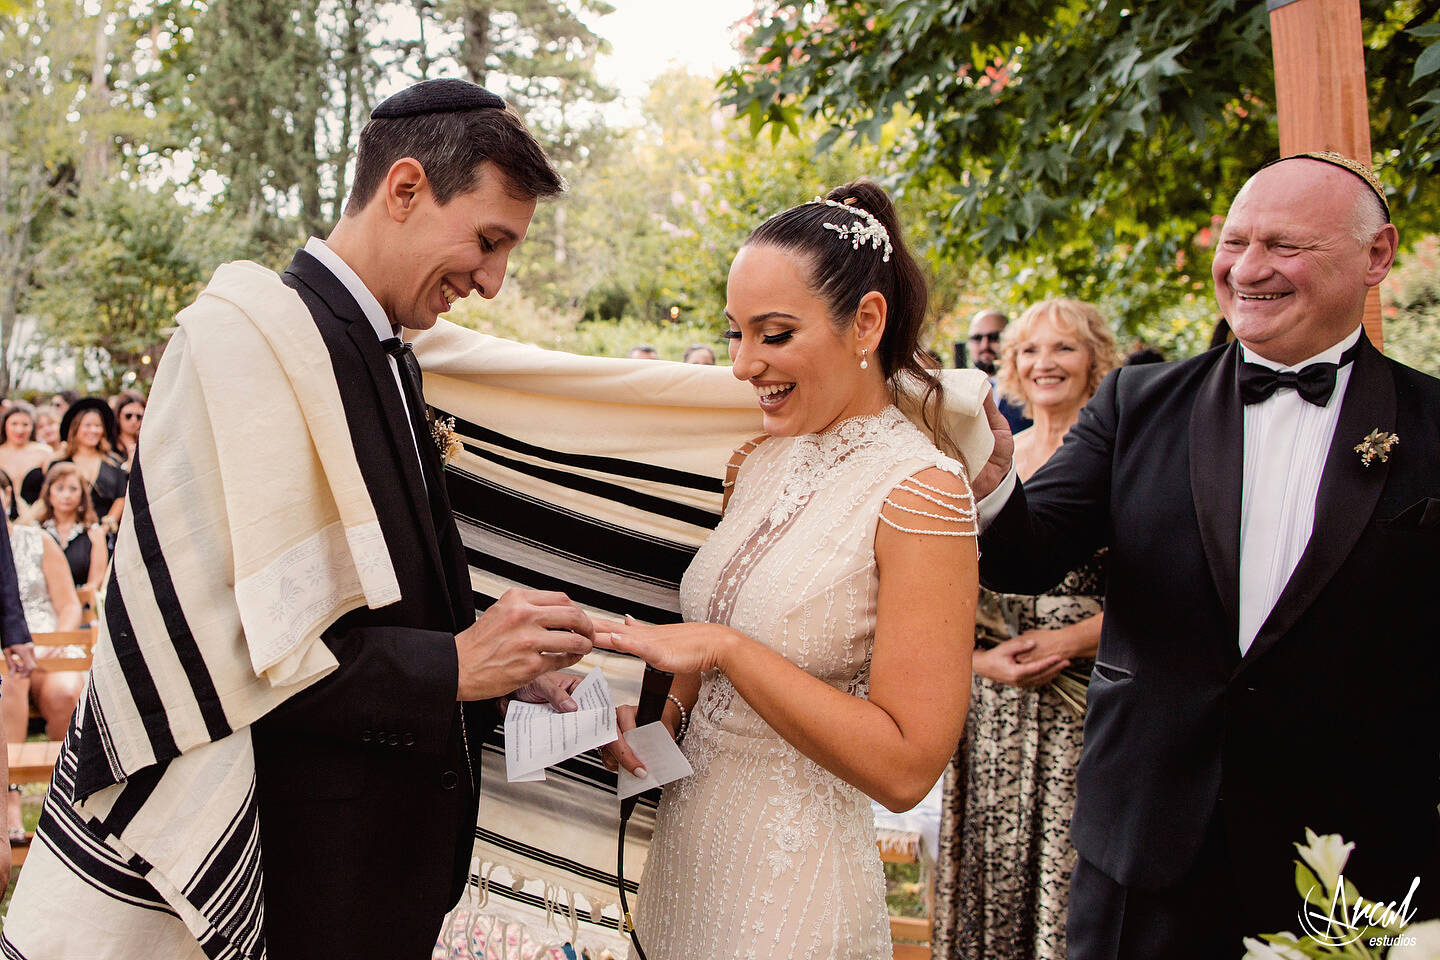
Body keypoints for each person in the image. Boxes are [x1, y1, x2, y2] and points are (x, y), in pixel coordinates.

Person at [3, 78, 606, 960]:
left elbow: (363, 609)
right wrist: (452, 664)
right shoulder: (243, 350)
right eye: (488, 240)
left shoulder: (390, 353)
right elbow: (227, 652)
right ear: (403, 190)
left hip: (387, 874)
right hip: (298, 874)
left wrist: (504, 666)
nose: (492, 278)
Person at [970, 153, 1440, 958]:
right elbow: (1025, 557)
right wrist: (977, 471)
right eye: (1236, 242)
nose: (1248, 269)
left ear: (1377, 255)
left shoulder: (1432, 424)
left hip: (1351, 860)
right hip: (1148, 844)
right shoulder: (1137, 404)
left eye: (1284, 246)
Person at [596, 180, 979, 959]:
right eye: (734, 333)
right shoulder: (758, 462)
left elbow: (908, 767)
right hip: (684, 871)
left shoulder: (922, 493)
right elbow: (711, 674)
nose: (743, 365)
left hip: (790, 901)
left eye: (773, 335)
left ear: (865, 321)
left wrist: (725, 648)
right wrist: (648, 735)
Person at [933, 299, 1117, 959]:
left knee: (1069, 876)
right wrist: (980, 663)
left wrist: (1071, 641)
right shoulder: (982, 462)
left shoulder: (1118, 459)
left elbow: (1168, 592)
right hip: (993, 708)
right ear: (1010, 364)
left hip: (1084, 707)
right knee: (994, 865)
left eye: (1065, 348)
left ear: (1096, 359)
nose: (1046, 363)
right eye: (1031, 350)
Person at [0, 472, 83, 839]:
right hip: (9, 654)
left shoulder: (37, 540)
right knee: (10, 680)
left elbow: (68, 606)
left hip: (51, 644)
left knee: (67, 691)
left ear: (9, 495)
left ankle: (68, 794)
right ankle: (10, 794)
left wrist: (51, 646)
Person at [21, 397, 127, 536]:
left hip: (104, 533)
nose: (93, 430)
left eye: (97, 426)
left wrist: (105, 527)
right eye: (87, 425)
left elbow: (121, 497)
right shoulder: (60, 462)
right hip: (66, 533)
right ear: (76, 428)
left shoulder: (113, 462)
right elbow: (47, 499)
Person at [31, 463, 107, 594]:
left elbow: (96, 583)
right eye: (60, 488)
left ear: (82, 494)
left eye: (73, 489)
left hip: (83, 605)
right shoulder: (35, 531)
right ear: (49, 493)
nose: (66, 495)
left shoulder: (94, 533)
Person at [967, 309, 1031, 433]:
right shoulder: (959, 388)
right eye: (977, 338)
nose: (985, 345)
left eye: (994, 337)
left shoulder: (1029, 384)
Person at [0, 404, 52, 517]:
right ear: (5, 425)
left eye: (25, 424)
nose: (20, 429)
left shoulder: (44, 453)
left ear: (33, 426)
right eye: (14, 424)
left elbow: (52, 488)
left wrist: (31, 516)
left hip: (37, 517)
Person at [111, 390, 145, 470]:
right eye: (128, 416)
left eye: (138, 416)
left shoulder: (145, 442)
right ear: (118, 415)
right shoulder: (109, 443)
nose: (134, 421)